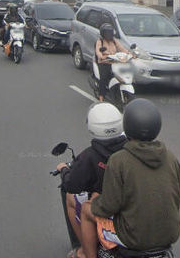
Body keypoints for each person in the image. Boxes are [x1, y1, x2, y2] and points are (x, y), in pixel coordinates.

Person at [79, 99, 180, 258]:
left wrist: (95, 202)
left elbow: (108, 206)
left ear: (127, 127)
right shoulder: (170, 157)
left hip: (133, 238)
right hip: (170, 234)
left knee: (86, 211)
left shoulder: (118, 160)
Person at [55, 103, 127, 256]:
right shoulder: (133, 150)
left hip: (114, 211)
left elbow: (72, 185)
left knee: (74, 200)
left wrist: (64, 170)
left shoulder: (90, 156)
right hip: (134, 207)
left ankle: (84, 251)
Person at [94, 23, 132, 102]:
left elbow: (122, 49)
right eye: (107, 33)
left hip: (114, 62)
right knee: (103, 78)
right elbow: (98, 52)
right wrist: (102, 56)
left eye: (110, 32)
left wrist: (129, 54)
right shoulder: (100, 41)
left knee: (123, 75)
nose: (109, 34)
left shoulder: (114, 41)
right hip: (104, 62)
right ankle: (101, 97)